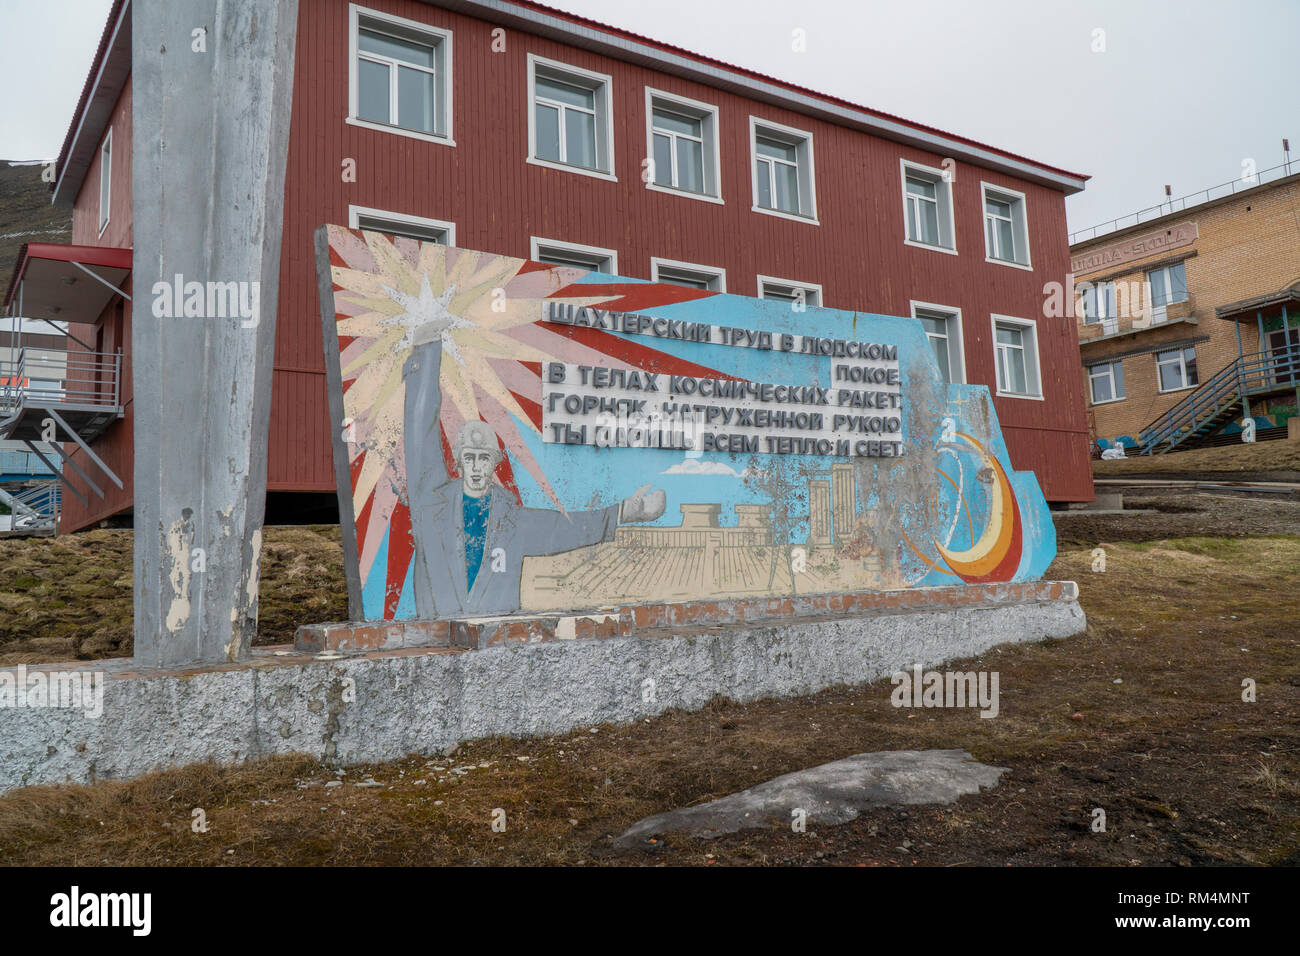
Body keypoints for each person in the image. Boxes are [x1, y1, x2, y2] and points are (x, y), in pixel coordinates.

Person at [401, 321, 665, 619]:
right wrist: (427, 350)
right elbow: (419, 430)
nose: (476, 466)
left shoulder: (512, 521)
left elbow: (565, 529)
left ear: (493, 463)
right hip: (436, 645)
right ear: (458, 462)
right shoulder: (430, 503)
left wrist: (625, 512)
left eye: (483, 458)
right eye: (469, 457)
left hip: (496, 645)